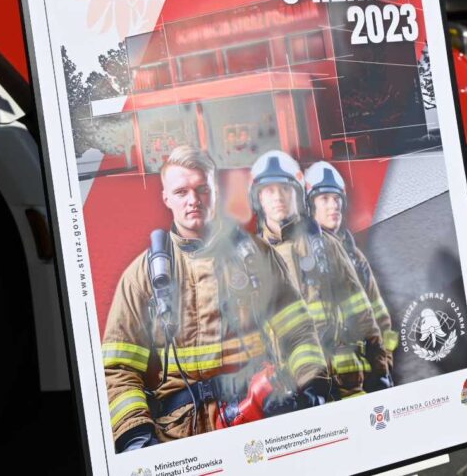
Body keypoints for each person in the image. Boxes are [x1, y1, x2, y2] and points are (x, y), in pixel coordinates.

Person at [102, 145, 329, 452]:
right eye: (181, 192)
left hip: (257, 419)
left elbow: (298, 333)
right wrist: (136, 436)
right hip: (177, 436)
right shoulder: (141, 276)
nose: (193, 200)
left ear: (215, 192)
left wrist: (313, 386)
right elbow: (118, 369)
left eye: (202, 189)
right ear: (166, 198)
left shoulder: (257, 257)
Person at [250, 150, 387, 399]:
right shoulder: (252, 260)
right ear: (259, 198)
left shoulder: (326, 245)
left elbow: (361, 312)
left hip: (345, 383)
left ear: (297, 192)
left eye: (285, 189)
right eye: (269, 190)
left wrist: (380, 370)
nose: (278, 197)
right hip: (292, 390)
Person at [303, 161, 397, 392]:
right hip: (328, 381)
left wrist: (384, 362)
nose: (333, 205)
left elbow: (381, 317)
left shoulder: (355, 256)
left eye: (337, 199)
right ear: (309, 206)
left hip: (366, 375)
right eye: (324, 198)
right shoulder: (302, 255)